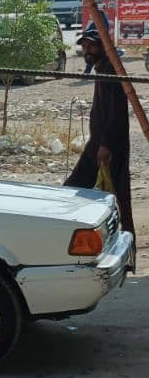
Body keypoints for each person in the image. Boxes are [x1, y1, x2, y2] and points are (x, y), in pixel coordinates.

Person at [65, 31, 135, 238]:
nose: (87, 50)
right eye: (84, 47)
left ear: (103, 47)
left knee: (114, 195)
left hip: (108, 146)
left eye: (91, 46)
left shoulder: (110, 70)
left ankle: (124, 238)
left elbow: (116, 113)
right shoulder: (102, 68)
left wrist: (105, 145)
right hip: (99, 143)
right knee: (89, 189)